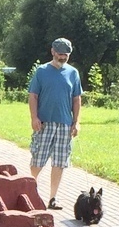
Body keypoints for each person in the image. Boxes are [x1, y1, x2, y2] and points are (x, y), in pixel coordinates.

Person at [28, 38, 82, 210]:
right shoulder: (41, 71)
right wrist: (34, 117)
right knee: (38, 160)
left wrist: (77, 122)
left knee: (59, 163)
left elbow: (76, 99)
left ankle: (52, 198)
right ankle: (30, 191)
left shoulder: (73, 73)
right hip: (44, 123)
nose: (62, 57)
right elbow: (33, 96)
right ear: (52, 52)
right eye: (60, 53)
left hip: (65, 125)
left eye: (66, 54)